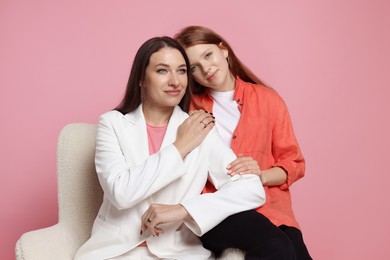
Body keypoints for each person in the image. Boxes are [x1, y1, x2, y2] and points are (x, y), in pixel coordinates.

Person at [73, 36, 265, 260]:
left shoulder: (200, 127)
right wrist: (180, 147)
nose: (175, 81)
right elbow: (121, 192)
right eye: (163, 71)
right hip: (117, 251)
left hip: (178, 253)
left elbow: (251, 189)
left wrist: (185, 209)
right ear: (141, 79)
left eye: (182, 71)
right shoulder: (112, 124)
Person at [175, 26, 312, 259]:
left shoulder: (268, 100)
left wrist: (261, 175)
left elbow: (294, 163)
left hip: (270, 206)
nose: (205, 68)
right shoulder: (188, 109)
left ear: (224, 51)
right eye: (194, 68)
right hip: (216, 206)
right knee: (277, 246)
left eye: (208, 55)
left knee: (295, 248)